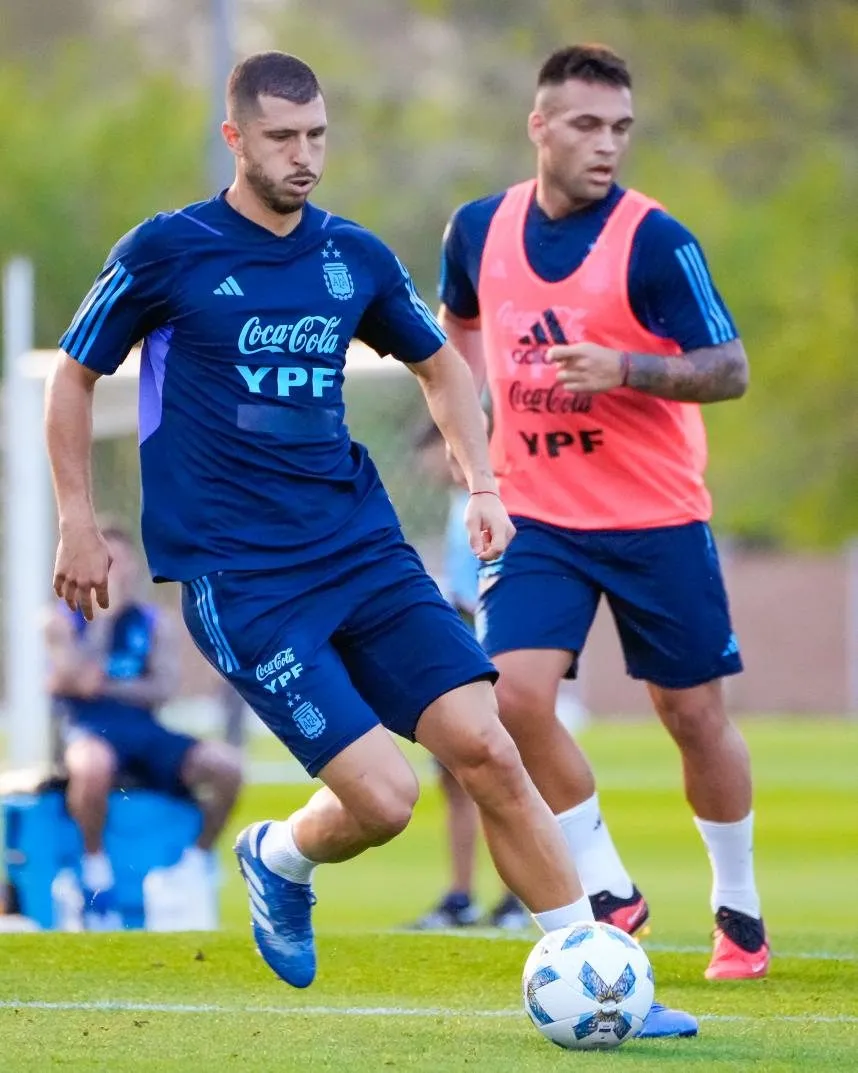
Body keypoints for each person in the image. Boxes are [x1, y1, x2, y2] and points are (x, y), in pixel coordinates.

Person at [44, 49, 694, 1036]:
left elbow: (440, 366)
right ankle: (281, 855)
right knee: (386, 801)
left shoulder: (353, 257)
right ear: (235, 140)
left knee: (490, 747)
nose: (304, 157)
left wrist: (483, 483)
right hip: (243, 576)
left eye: (316, 137)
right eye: (281, 139)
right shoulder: (167, 252)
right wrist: (78, 520)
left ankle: (602, 978)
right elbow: (74, 378)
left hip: (363, 551)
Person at [438, 43, 768, 982]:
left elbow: (730, 368)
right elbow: (457, 329)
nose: (607, 145)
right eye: (586, 125)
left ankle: (738, 909)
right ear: (539, 126)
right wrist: (472, 429)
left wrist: (629, 368)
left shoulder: (657, 242)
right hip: (537, 513)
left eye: (621, 128)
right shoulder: (475, 229)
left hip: (654, 515)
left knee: (693, 716)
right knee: (510, 697)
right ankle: (609, 890)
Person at [46, 521, 242, 930]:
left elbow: (163, 688)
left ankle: (196, 861)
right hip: (90, 727)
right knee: (91, 768)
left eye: (121, 563)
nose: (115, 572)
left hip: (144, 729)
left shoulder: (153, 622)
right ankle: (95, 869)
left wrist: (107, 684)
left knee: (226, 768)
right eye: (107, 563)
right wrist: (101, 620)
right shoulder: (63, 620)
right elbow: (72, 680)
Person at [408, 421, 527, 932]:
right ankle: (461, 896)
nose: (433, 465)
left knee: (507, 775)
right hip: (460, 658)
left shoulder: (499, 507)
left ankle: (518, 895)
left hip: (496, 657)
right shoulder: (459, 507)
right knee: (454, 778)